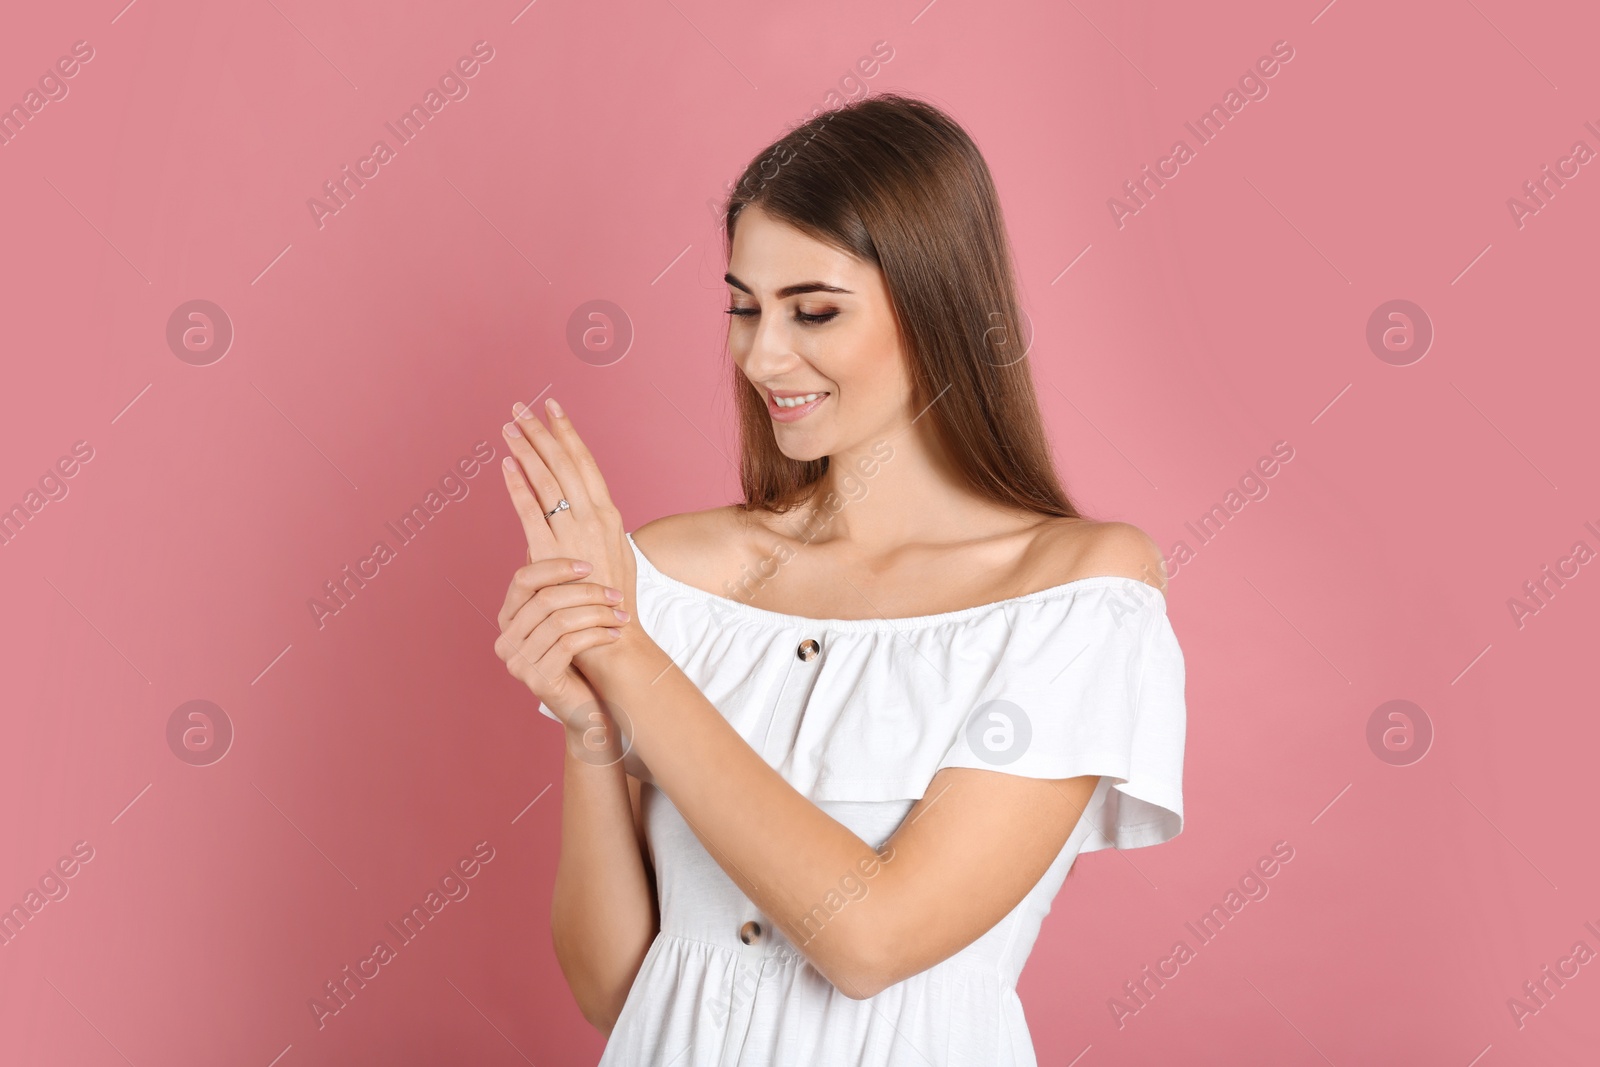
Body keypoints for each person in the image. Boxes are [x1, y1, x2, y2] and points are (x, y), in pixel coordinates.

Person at [493, 93, 1187, 1066]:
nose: (762, 355)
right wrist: (593, 730)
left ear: (933, 303)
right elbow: (615, 988)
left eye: (812, 309)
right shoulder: (673, 575)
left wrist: (628, 661)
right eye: (742, 307)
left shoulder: (1074, 593)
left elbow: (870, 940)